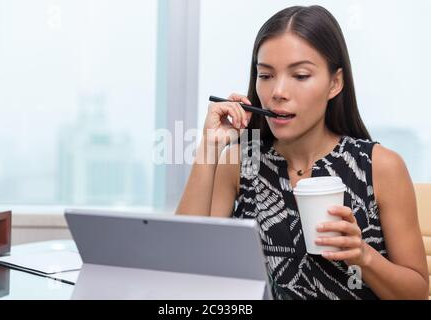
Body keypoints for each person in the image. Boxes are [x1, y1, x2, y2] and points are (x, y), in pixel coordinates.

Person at [176, 5, 428, 300]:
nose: (278, 91)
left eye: (300, 75)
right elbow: (182, 266)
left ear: (335, 83)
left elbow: (417, 293)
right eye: (266, 75)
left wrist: (362, 256)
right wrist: (209, 148)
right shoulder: (237, 162)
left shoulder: (381, 166)